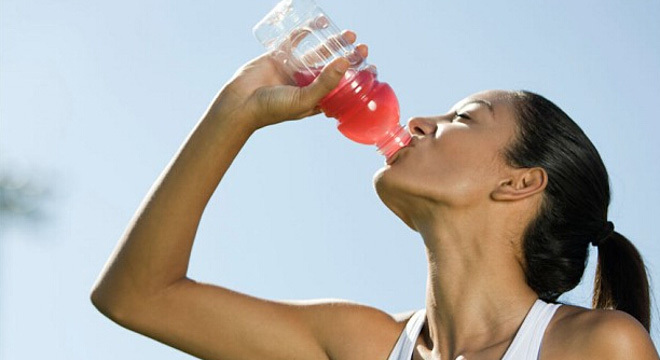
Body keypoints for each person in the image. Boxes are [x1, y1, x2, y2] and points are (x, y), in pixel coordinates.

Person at [90, 31, 659, 359]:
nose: (416, 122)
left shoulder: (596, 346)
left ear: (520, 182)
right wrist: (235, 112)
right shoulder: (362, 343)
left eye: (462, 117)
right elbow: (136, 296)